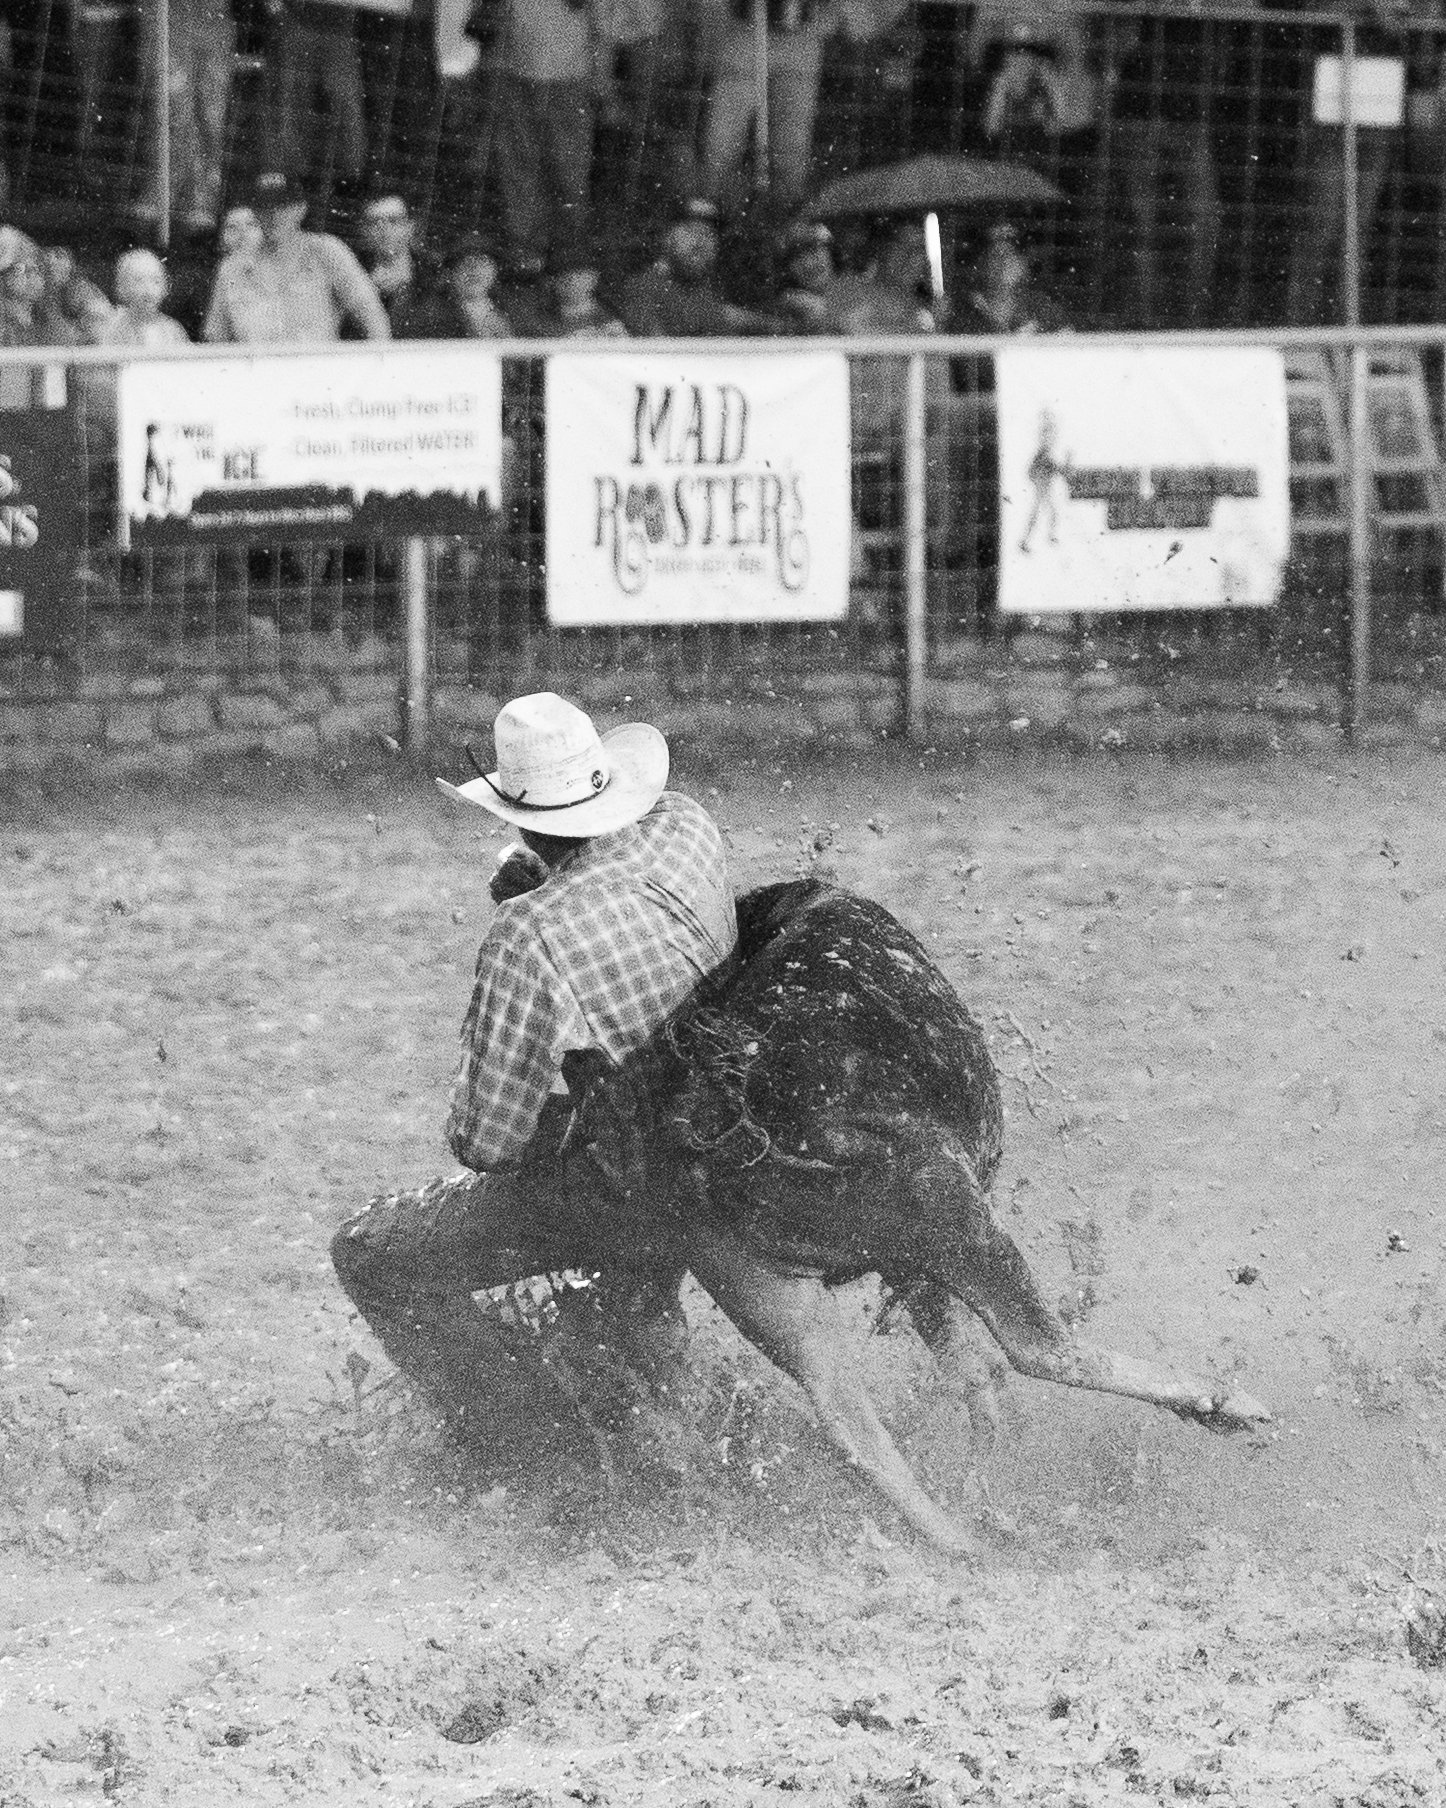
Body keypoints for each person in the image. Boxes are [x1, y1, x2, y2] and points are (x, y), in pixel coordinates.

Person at [330, 693, 739, 1421]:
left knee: (369, 1252)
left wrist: (532, 911)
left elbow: (489, 1142)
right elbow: (625, 911)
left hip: (645, 1174)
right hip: (725, 1123)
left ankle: (521, 1435)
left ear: (519, 817)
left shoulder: (529, 931)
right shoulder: (685, 823)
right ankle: (649, 1375)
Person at [203, 168, 391, 342]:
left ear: (301, 209)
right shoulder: (233, 267)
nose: (274, 215)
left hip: (314, 372)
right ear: (256, 213)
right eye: (265, 207)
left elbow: (374, 318)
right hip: (257, 373)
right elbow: (215, 336)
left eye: (283, 206)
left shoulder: (326, 251)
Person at [616, 196, 774, 335]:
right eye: (690, 231)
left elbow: (728, 319)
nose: (699, 242)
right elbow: (661, 357)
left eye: (708, 234)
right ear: (667, 237)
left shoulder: (706, 290)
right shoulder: (643, 288)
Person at [392, 232, 513, 338]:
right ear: (449, 273)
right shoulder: (432, 317)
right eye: (465, 262)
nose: (474, 269)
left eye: (483, 261)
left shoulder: (511, 310)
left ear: (495, 269)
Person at [94, 248, 191, 347]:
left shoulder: (172, 329)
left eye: (156, 281)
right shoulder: (113, 328)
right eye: (139, 281)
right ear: (121, 287)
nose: (148, 290)